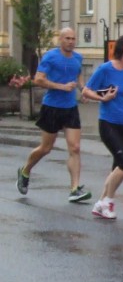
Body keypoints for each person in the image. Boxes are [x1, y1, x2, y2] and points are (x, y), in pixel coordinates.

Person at [15, 28, 92, 203]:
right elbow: (38, 79)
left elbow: (78, 74)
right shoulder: (51, 57)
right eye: (67, 38)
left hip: (70, 108)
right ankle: (25, 171)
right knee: (46, 148)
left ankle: (74, 189)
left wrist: (83, 90)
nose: (71, 42)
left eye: (73, 38)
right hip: (52, 107)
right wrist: (61, 86)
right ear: (60, 40)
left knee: (75, 148)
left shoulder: (78, 58)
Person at [81, 35, 123, 219]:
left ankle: (100, 203)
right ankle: (108, 202)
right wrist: (103, 98)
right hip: (108, 123)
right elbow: (86, 91)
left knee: (118, 166)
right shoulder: (105, 69)